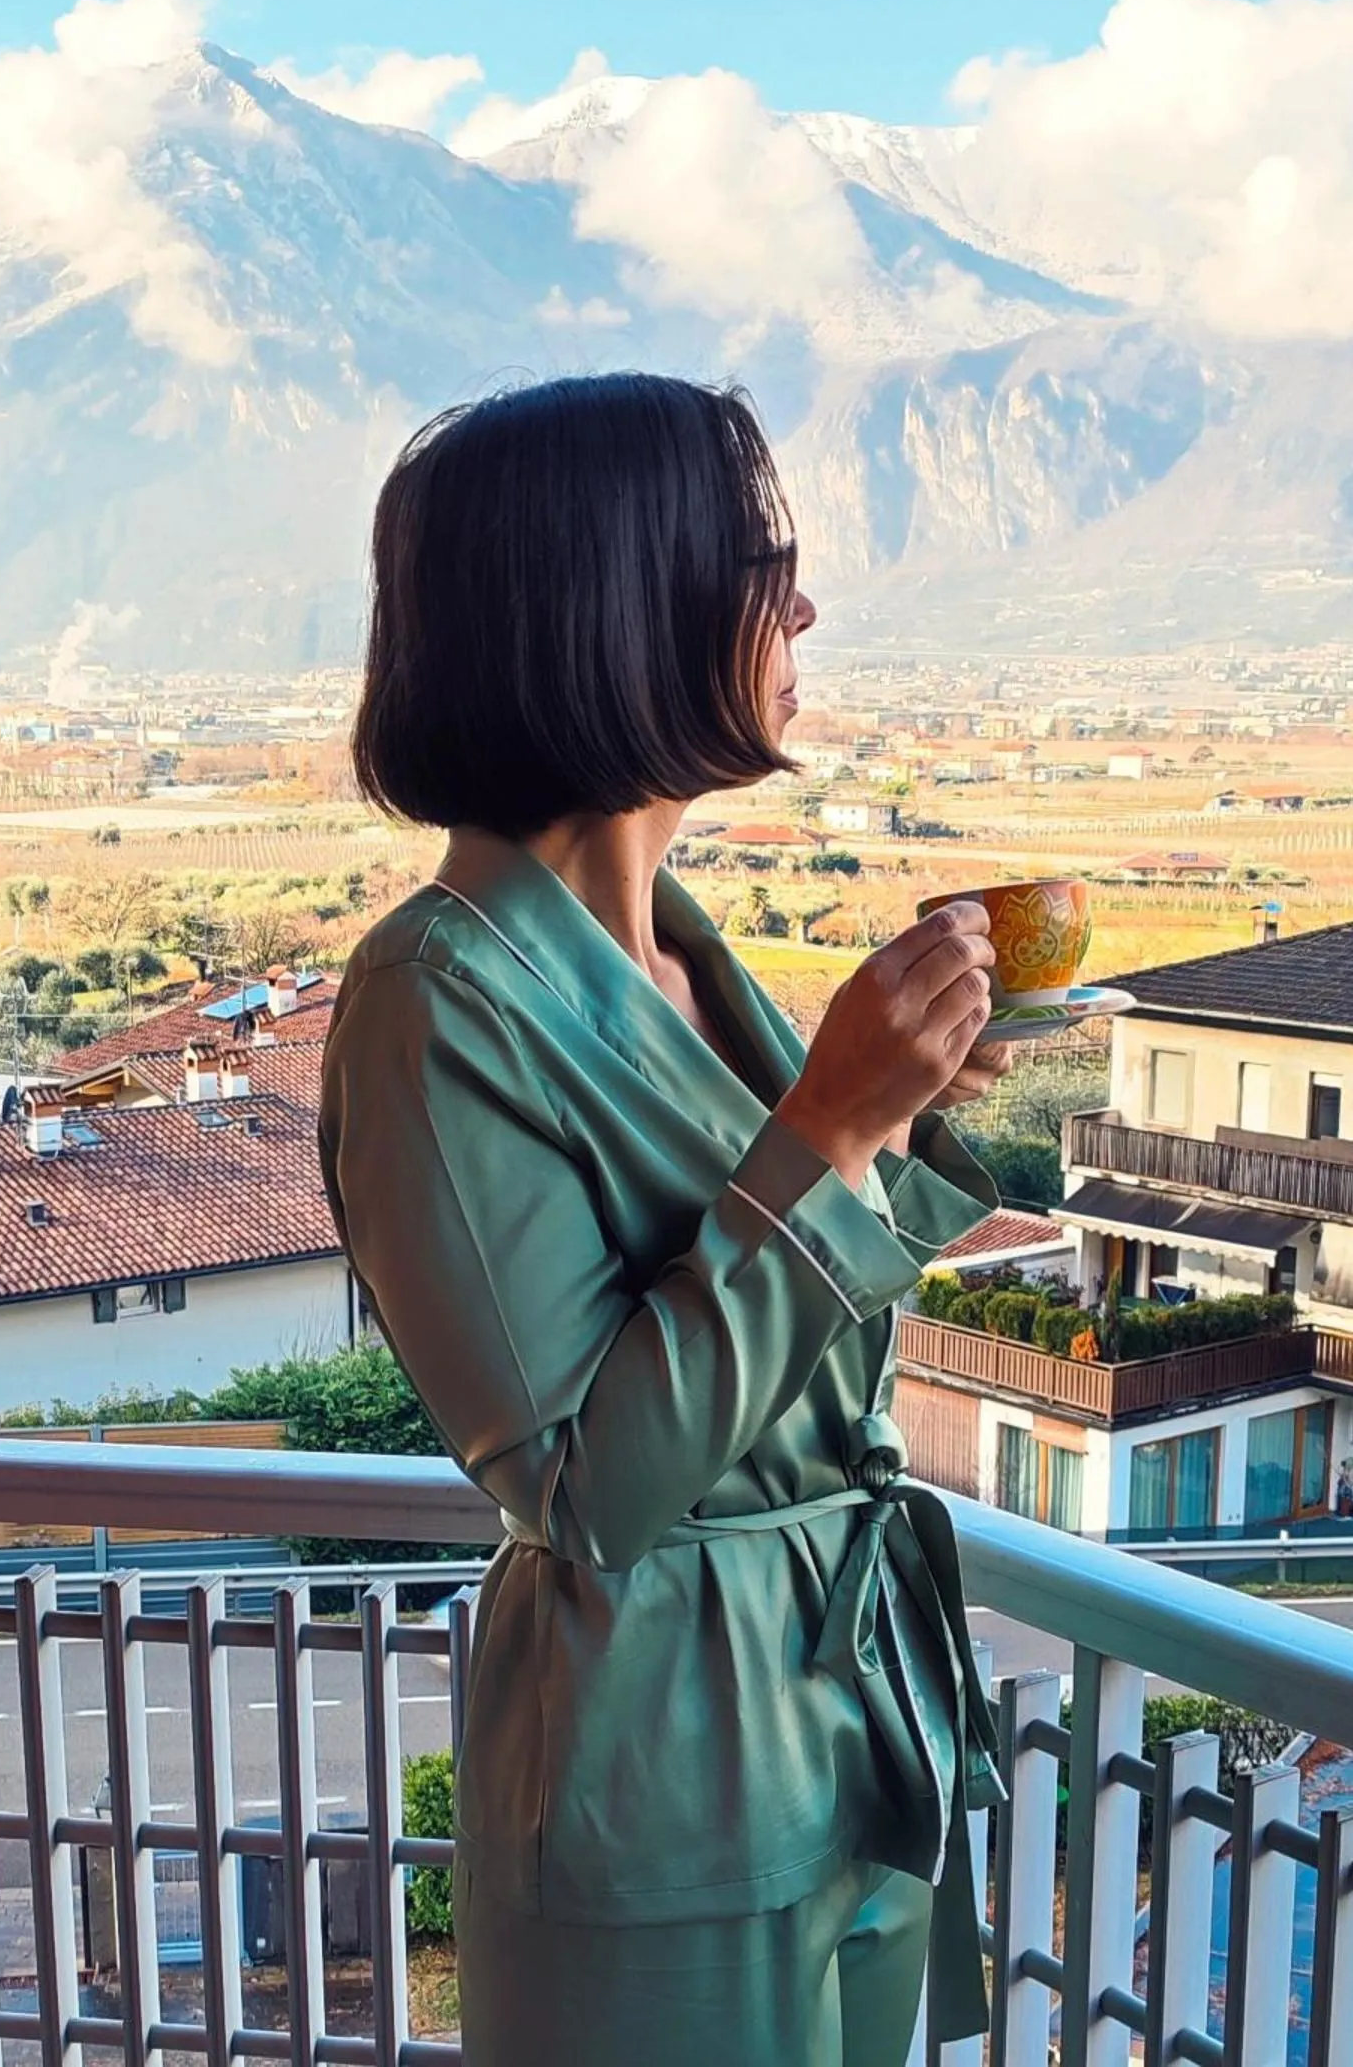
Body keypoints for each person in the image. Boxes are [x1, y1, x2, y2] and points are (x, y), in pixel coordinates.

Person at [318, 373, 1012, 2067]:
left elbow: (796, 1306)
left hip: (849, 1728)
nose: (802, 610)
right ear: (623, 608)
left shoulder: (683, 954)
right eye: (762, 567)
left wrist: (887, 1107)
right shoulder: (433, 1002)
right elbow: (584, 1481)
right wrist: (831, 1124)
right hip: (665, 1775)